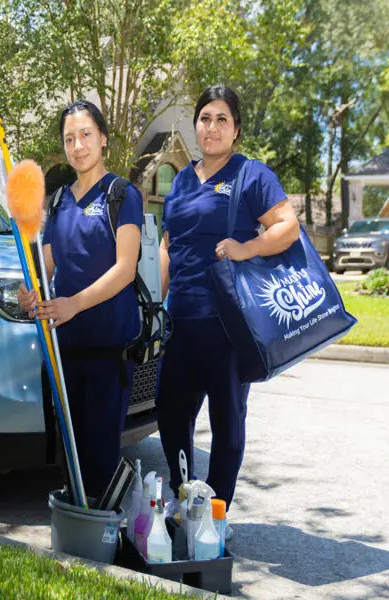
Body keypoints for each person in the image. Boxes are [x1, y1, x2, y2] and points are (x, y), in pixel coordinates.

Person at [156, 84, 300, 524]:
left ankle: (214, 518)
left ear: (236, 130)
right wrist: (153, 304)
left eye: (222, 119)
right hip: (181, 320)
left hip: (227, 325)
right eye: (204, 118)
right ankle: (187, 501)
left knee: (227, 423)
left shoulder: (251, 175)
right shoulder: (181, 179)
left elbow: (287, 227)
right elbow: (167, 244)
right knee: (169, 411)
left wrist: (246, 247)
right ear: (195, 126)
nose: (211, 127)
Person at [17, 100, 143, 499]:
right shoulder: (57, 202)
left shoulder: (123, 195)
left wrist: (74, 303)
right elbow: (47, 267)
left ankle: (102, 547)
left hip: (109, 350)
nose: (78, 145)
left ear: (103, 138)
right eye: (69, 138)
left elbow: (125, 268)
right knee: (71, 456)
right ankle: (77, 539)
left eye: (86, 134)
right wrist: (31, 292)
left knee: (101, 457)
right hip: (65, 348)